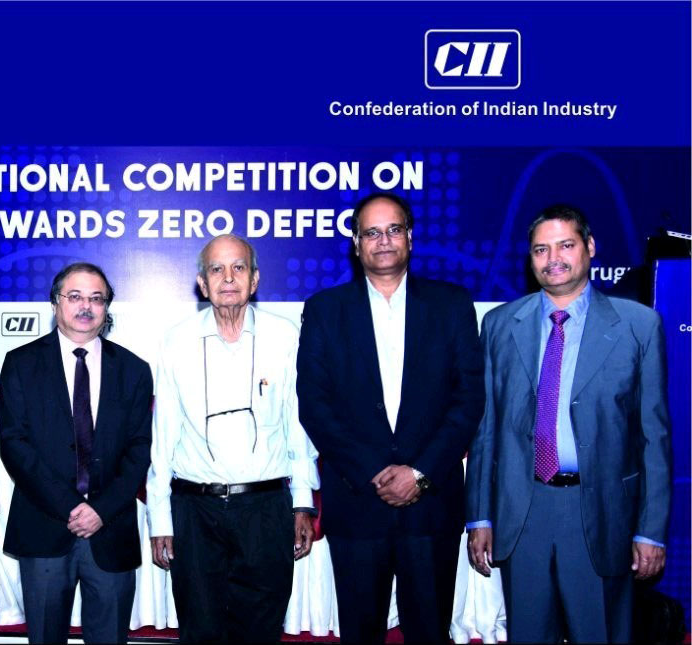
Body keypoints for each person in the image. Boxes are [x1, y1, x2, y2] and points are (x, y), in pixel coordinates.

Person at [465, 204, 671, 643]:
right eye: (541, 249)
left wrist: (651, 531)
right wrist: (479, 517)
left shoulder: (638, 326)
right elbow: (486, 431)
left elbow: (654, 438)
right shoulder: (499, 325)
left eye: (565, 245)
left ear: (590, 247)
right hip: (523, 511)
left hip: (600, 512)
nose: (553, 258)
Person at [296, 193, 484, 643]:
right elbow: (315, 404)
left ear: (410, 238)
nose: (383, 241)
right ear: (356, 243)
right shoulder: (324, 310)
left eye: (394, 230)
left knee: (429, 633)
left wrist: (419, 472)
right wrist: (373, 472)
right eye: (372, 233)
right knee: (360, 634)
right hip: (357, 503)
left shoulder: (452, 305)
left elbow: (469, 400)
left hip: (431, 505)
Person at [146, 234, 318, 644]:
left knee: (261, 632)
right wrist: (161, 517)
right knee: (200, 632)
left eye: (238, 267)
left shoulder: (285, 337)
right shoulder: (176, 340)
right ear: (202, 284)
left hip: (265, 509)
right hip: (195, 511)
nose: (228, 278)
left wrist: (302, 502)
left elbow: (298, 425)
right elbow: (163, 434)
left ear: (254, 280)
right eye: (216, 269)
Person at [0, 262, 153, 644]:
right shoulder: (21, 363)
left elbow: (140, 450)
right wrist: (71, 506)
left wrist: (100, 510)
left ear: (106, 309)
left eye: (96, 299)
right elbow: (15, 446)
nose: (86, 306)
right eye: (75, 296)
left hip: (111, 529)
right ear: (55, 303)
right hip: (43, 528)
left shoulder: (134, 370)